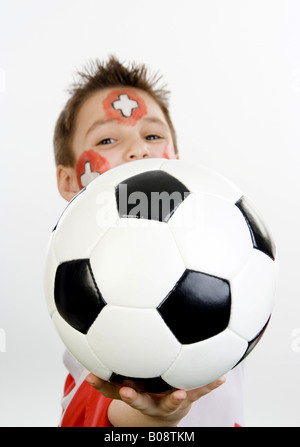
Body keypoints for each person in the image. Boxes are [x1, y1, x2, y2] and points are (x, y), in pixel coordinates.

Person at [53, 55, 244, 427]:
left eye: (153, 135)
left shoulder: (225, 255)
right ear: (68, 181)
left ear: (177, 159)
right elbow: (95, 409)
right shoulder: (81, 290)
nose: (139, 150)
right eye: (107, 139)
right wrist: (152, 416)